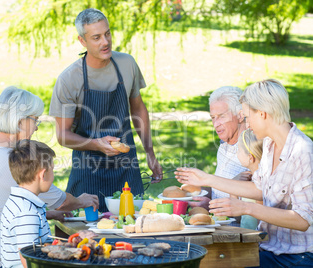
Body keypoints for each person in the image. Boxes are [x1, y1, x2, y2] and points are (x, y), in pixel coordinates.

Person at [176, 79, 313, 267]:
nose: (246, 125)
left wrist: (246, 208)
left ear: (263, 114)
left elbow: (303, 219)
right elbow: (258, 188)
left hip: (297, 258)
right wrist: (207, 179)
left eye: (247, 117)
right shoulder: (269, 144)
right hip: (268, 249)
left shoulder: (303, 151)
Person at [0, 86, 99, 268]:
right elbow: (61, 201)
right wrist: (82, 201)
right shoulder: (10, 160)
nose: (36, 128)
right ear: (19, 123)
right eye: (35, 120)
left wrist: (46, 214)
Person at [49, 8, 162, 212]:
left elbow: (138, 109)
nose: (105, 42)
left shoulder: (127, 64)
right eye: (96, 37)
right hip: (88, 171)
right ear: (82, 41)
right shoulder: (69, 79)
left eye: (107, 33)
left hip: (127, 168)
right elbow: (62, 136)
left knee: (133, 233)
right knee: (88, 237)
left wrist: (150, 152)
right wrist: (96, 144)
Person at [189, 86, 249, 213]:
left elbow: (254, 209)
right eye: (213, 118)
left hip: (241, 229)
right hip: (218, 225)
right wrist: (198, 193)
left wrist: (211, 206)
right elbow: (221, 189)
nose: (216, 124)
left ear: (240, 115)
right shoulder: (224, 145)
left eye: (221, 116)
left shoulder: (253, 149)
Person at [0, 139, 55, 268]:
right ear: (43, 174)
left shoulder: (18, 201)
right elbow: (27, 259)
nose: (53, 175)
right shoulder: (26, 212)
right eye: (52, 170)